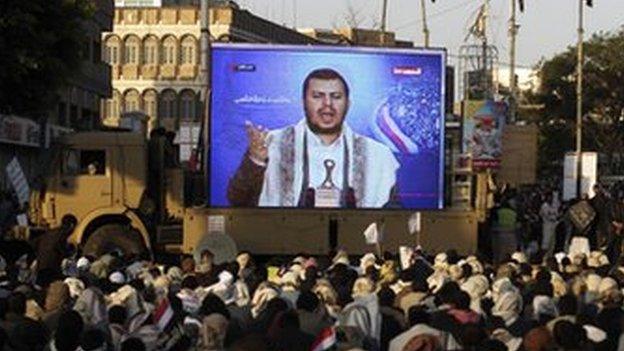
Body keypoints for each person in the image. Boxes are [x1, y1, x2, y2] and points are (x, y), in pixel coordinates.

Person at [227, 68, 400, 208]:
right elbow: (238, 200)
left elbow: (393, 214)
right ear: (303, 102)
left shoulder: (377, 154)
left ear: (348, 104)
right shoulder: (273, 142)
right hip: (285, 242)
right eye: (317, 96)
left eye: (336, 97)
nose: (327, 104)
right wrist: (256, 160)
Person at [539, 193, 560, 257]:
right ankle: (543, 257)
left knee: (553, 243)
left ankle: (550, 256)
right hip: (547, 226)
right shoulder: (544, 206)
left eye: (551, 197)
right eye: (548, 197)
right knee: (546, 242)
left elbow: (557, 214)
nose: (550, 199)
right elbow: (546, 216)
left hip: (554, 226)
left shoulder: (555, 205)